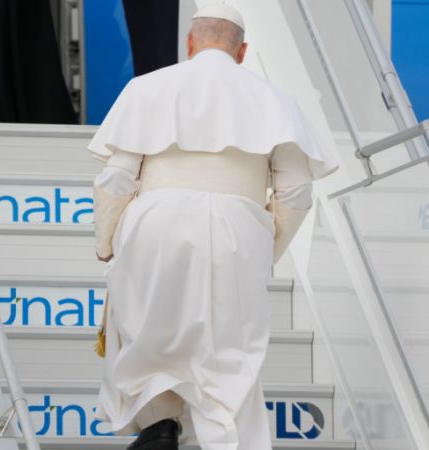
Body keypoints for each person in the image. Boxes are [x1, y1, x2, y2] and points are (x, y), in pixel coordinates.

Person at [88, 4, 340, 450]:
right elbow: (297, 192)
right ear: (242, 51)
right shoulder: (276, 101)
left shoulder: (147, 88)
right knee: (227, 354)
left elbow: (118, 177)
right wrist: (268, 245)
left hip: (155, 222)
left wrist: (106, 241)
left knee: (150, 334)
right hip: (238, 228)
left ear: (189, 43)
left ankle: (159, 427)